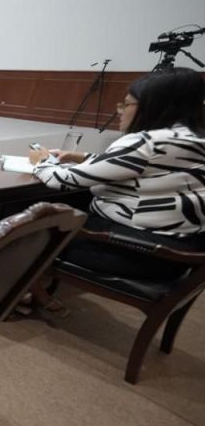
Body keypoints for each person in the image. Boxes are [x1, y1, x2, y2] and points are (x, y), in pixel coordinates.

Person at [29, 67, 205, 280]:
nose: (119, 111)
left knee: (26, 232)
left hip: (134, 251)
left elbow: (63, 180)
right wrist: (80, 157)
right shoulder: (193, 138)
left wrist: (42, 162)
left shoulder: (146, 142)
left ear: (153, 106)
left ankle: (19, 291)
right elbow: (143, 165)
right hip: (182, 252)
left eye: (126, 104)